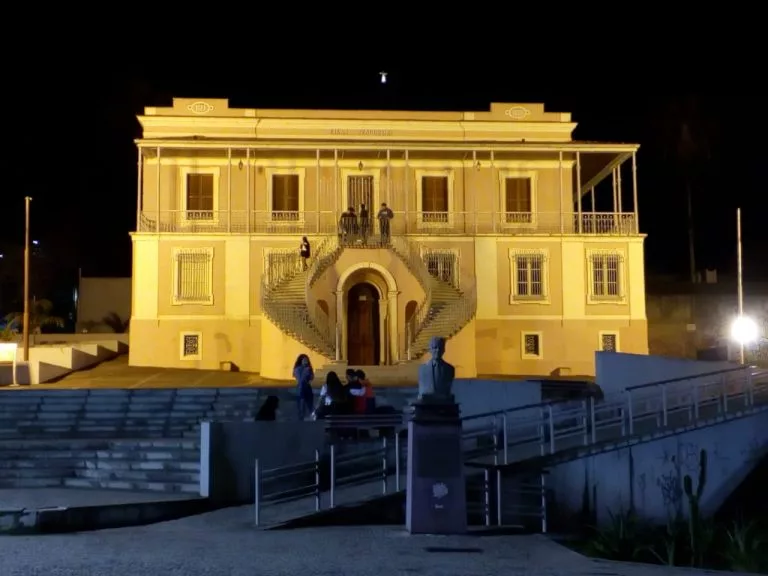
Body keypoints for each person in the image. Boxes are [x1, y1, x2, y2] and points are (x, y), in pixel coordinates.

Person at [292, 354, 314, 420]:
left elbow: (312, 377)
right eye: (304, 360)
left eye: (307, 360)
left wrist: (309, 372)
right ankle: (301, 419)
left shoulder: (309, 369)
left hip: (307, 388)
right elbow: (300, 379)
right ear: (301, 361)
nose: (306, 361)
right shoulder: (298, 369)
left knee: (310, 405)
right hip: (301, 388)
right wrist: (306, 371)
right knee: (301, 406)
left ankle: (312, 417)